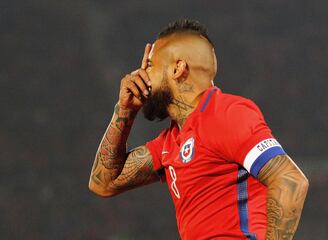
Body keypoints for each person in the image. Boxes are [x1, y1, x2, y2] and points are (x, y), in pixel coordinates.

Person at [88, 19, 309, 240]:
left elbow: (289, 180)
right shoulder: (170, 141)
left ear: (177, 68)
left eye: (150, 66)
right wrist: (125, 109)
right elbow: (104, 183)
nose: (142, 75)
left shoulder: (225, 114)